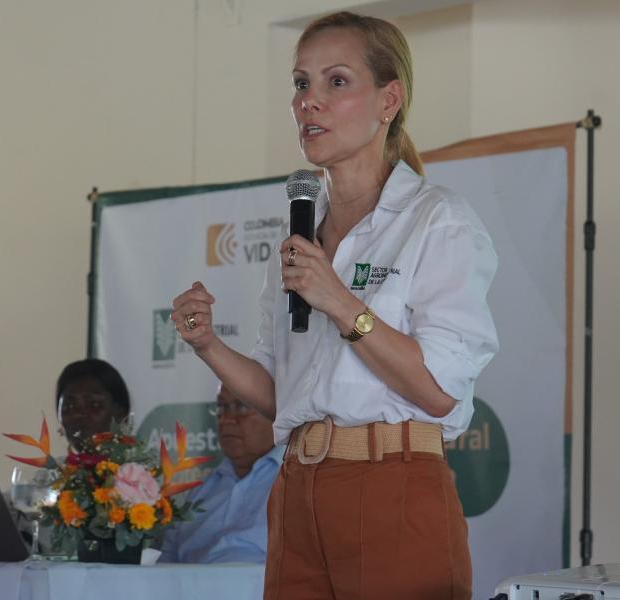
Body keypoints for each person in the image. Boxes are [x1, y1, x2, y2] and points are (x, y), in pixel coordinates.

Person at [170, 11, 498, 599]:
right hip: (297, 488)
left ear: (389, 99)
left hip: (392, 481)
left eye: (336, 82)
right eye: (301, 84)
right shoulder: (303, 235)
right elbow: (281, 393)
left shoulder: (436, 220)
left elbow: (441, 390)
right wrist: (208, 345)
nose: (309, 103)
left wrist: (341, 303)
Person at [159, 384, 281, 564]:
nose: (226, 419)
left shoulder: (300, 483)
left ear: (278, 414)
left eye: (242, 406)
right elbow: (164, 566)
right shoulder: (200, 492)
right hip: (188, 589)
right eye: (222, 407)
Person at [55, 358, 131, 450]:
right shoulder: (58, 464)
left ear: (121, 415)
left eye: (93, 404)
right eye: (69, 406)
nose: (77, 414)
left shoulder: (141, 464)